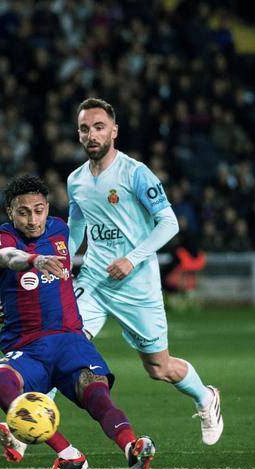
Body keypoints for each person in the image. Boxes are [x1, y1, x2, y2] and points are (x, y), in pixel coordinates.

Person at [66, 98, 223, 445]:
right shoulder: (75, 180)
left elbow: (169, 223)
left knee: (158, 368)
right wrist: (60, 261)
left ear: (114, 131)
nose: (92, 135)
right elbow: (75, 228)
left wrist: (131, 259)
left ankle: (206, 397)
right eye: (84, 129)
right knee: (64, 344)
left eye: (99, 127)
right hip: (94, 280)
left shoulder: (135, 173)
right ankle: (29, 418)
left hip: (137, 284)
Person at [0, 174, 155, 469]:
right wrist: (35, 260)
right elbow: (7, 257)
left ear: (48, 209)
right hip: (28, 347)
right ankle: (68, 454)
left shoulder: (60, 229)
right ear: (10, 212)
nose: (32, 220)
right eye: (23, 212)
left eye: (38, 210)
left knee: (96, 393)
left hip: (70, 341)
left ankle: (132, 448)